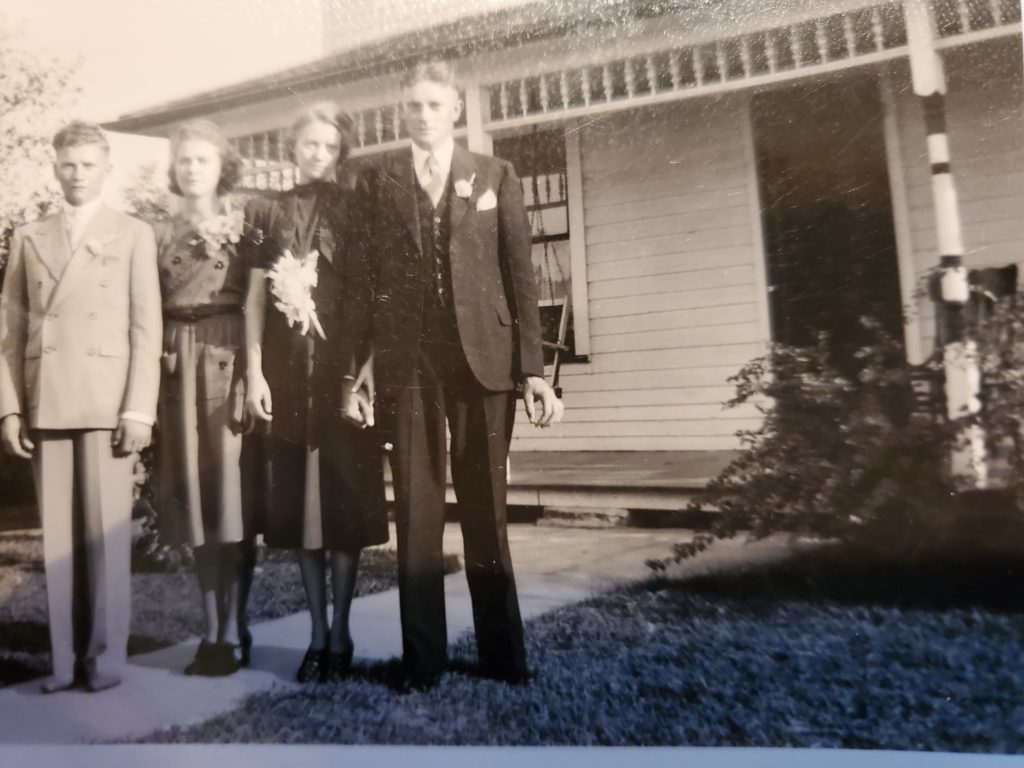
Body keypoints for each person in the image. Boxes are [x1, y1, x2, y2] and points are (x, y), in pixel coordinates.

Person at [339, 62, 563, 693]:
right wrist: (360, 365)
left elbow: (521, 278)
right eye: (412, 105)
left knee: (487, 509)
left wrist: (532, 371)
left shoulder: (495, 175)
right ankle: (423, 661)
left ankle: (502, 654)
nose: (422, 115)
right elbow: (363, 285)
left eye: (434, 104)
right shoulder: (378, 182)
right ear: (402, 112)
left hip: (484, 363)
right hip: (408, 363)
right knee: (416, 510)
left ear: (456, 110)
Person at [0, 121, 162, 693]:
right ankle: (64, 661)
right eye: (68, 164)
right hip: (48, 399)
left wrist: (139, 409)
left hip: (106, 400)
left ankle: (105, 658)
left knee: (105, 538)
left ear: (107, 169)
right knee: (60, 543)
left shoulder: (133, 233)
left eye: (88, 165)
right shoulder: (29, 236)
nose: (77, 174)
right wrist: (10, 409)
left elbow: (146, 327)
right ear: (54, 167)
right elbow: (9, 332)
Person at [242, 103, 388, 683]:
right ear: (293, 148)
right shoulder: (265, 211)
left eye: (329, 146)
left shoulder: (359, 208)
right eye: (309, 144)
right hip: (288, 375)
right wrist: (255, 372)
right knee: (302, 510)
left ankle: (344, 631)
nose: (318, 154)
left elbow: (377, 298)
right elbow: (254, 299)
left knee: (343, 506)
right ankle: (317, 633)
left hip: (342, 372)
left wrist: (367, 368)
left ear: (340, 152)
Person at [155, 119, 256, 676]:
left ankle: (236, 628)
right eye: (184, 160)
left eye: (203, 159)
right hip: (177, 365)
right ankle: (210, 628)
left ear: (222, 167)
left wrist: (253, 373)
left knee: (229, 501)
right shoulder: (157, 233)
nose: (192, 169)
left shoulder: (245, 226)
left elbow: (259, 305)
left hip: (228, 355)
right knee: (196, 504)